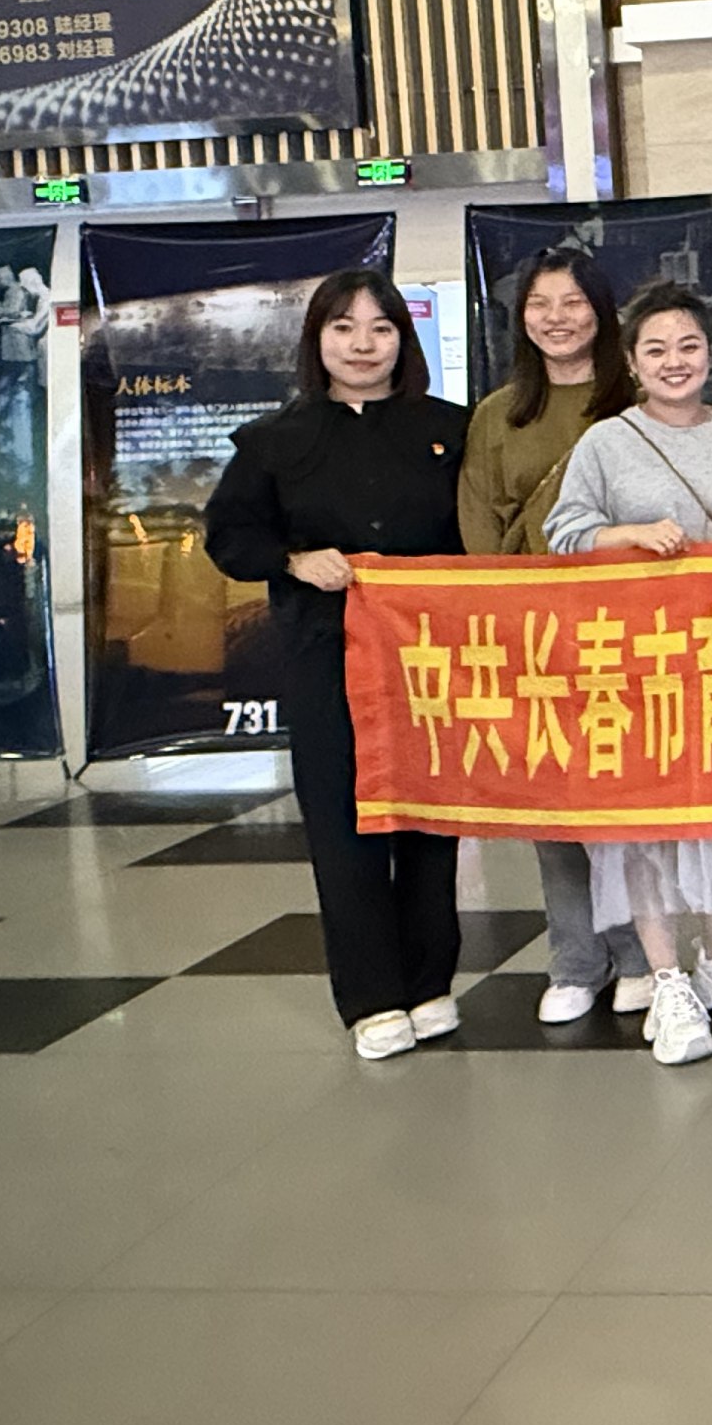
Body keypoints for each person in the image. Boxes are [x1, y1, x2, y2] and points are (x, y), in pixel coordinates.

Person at [204, 269, 470, 1061]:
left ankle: (429, 982)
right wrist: (292, 560)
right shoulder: (273, 441)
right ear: (316, 339)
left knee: (430, 818)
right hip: (327, 655)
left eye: (381, 328)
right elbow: (230, 537)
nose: (363, 345)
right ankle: (371, 997)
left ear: (403, 340)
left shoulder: (449, 430)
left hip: (431, 657)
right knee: (343, 819)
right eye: (344, 328)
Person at [544, 281, 712, 1066]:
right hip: (635, 662)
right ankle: (666, 980)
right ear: (631, 362)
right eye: (655, 349)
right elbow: (563, 533)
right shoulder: (605, 442)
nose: (674, 361)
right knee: (647, 821)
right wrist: (626, 535)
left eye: (688, 346)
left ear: (710, 355)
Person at [457, 250, 651, 1028]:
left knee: (626, 800)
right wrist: (503, 620)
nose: (557, 318)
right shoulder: (496, 414)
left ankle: (640, 953)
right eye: (541, 304)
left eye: (573, 302)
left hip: (626, 629)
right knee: (553, 803)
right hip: (533, 631)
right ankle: (574, 958)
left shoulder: (637, 399)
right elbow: (479, 524)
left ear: (602, 313)